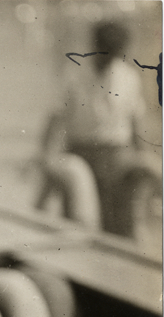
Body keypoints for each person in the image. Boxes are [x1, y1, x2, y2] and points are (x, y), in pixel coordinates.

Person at [39, 20, 151, 237]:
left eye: (113, 54)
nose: (108, 59)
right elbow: (56, 117)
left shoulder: (128, 77)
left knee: (120, 225)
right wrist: (46, 156)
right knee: (79, 222)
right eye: (104, 52)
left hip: (116, 156)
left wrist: (143, 155)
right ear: (96, 46)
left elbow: (137, 123)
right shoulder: (74, 74)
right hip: (82, 154)